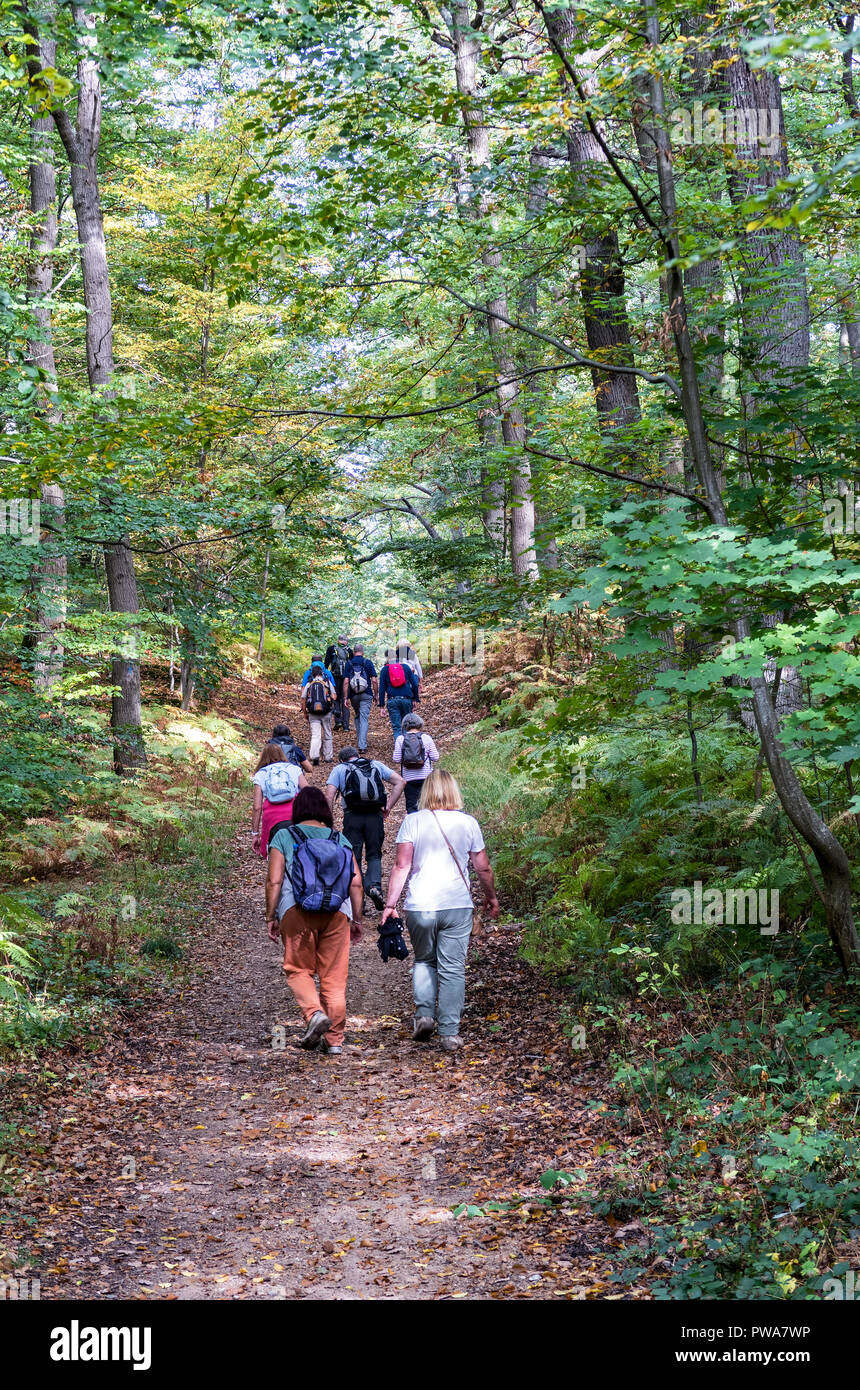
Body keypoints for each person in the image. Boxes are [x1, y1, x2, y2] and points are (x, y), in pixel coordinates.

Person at [382, 769, 499, 1053]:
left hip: (420, 905)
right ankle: (449, 1032)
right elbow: (482, 867)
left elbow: (401, 866)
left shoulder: (412, 821)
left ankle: (424, 1016)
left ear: (426, 792)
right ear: (454, 791)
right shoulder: (468, 823)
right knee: (453, 967)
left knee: (424, 960)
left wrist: (390, 904)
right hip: (457, 904)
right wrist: (491, 897)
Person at [266, 787, 364, 1055]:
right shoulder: (339, 839)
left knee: (298, 969)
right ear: (324, 811)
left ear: (297, 810)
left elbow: (274, 880)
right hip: (336, 913)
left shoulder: (285, 835)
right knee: (334, 978)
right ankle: (334, 1041)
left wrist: (271, 915)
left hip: (296, 910)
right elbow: (355, 883)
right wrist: (357, 919)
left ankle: (314, 1014)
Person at [326, 747, 405, 912]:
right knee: (374, 854)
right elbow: (400, 782)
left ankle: (358, 899)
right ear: (357, 756)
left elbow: (329, 795)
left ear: (342, 759)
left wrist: (329, 820)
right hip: (374, 816)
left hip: (352, 816)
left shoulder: (340, 769)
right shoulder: (375, 765)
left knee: (353, 856)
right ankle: (374, 886)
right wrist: (388, 807)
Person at [251, 742, 307, 858]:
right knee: (300, 853)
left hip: (272, 820)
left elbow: (257, 807)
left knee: (275, 855)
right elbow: (308, 792)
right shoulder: (294, 769)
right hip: (295, 815)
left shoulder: (260, 774)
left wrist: (255, 834)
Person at [393, 712, 439, 813]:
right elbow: (435, 757)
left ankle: (414, 826)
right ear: (419, 723)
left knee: (412, 806)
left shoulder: (401, 739)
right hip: (426, 778)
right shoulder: (426, 738)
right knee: (427, 805)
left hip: (409, 778)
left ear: (405, 725)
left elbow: (396, 759)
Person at [342, 643, 378, 753]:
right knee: (364, 718)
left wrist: (345, 697)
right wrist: (376, 695)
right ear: (363, 651)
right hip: (366, 694)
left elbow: (346, 681)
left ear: (353, 651)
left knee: (358, 716)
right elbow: (374, 680)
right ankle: (362, 745)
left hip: (354, 696)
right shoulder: (368, 662)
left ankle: (360, 741)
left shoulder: (349, 663)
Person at [301, 660, 337, 765]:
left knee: (315, 735)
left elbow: (303, 698)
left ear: (312, 674)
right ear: (322, 673)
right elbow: (334, 695)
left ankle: (315, 756)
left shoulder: (309, 683)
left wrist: (305, 712)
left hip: (313, 713)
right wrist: (331, 702)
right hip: (326, 712)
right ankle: (328, 757)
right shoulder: (326, 682)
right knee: (327, 734)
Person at [379, 650, 419, 740]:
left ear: (387, 658)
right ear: (397, 656)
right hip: (406, 699)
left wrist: (381, 706)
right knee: (407, 726)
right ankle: (408, 749)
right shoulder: (406, 667)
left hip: (392, 700)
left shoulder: (384, 670)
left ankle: (399, 749)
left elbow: (381, 689)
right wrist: (415, 699)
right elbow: (415, 684)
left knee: (397, 727)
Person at [324, 635, 353, 731]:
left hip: (334, 677)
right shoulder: (349, 651)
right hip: (346, 679)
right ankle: (346, 726)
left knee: (335, 698)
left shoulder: (331, 649)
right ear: (346, 641)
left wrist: (325, 676)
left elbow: (326, 663)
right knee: (345, 699)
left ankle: (338, 721)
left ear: (338, 640)